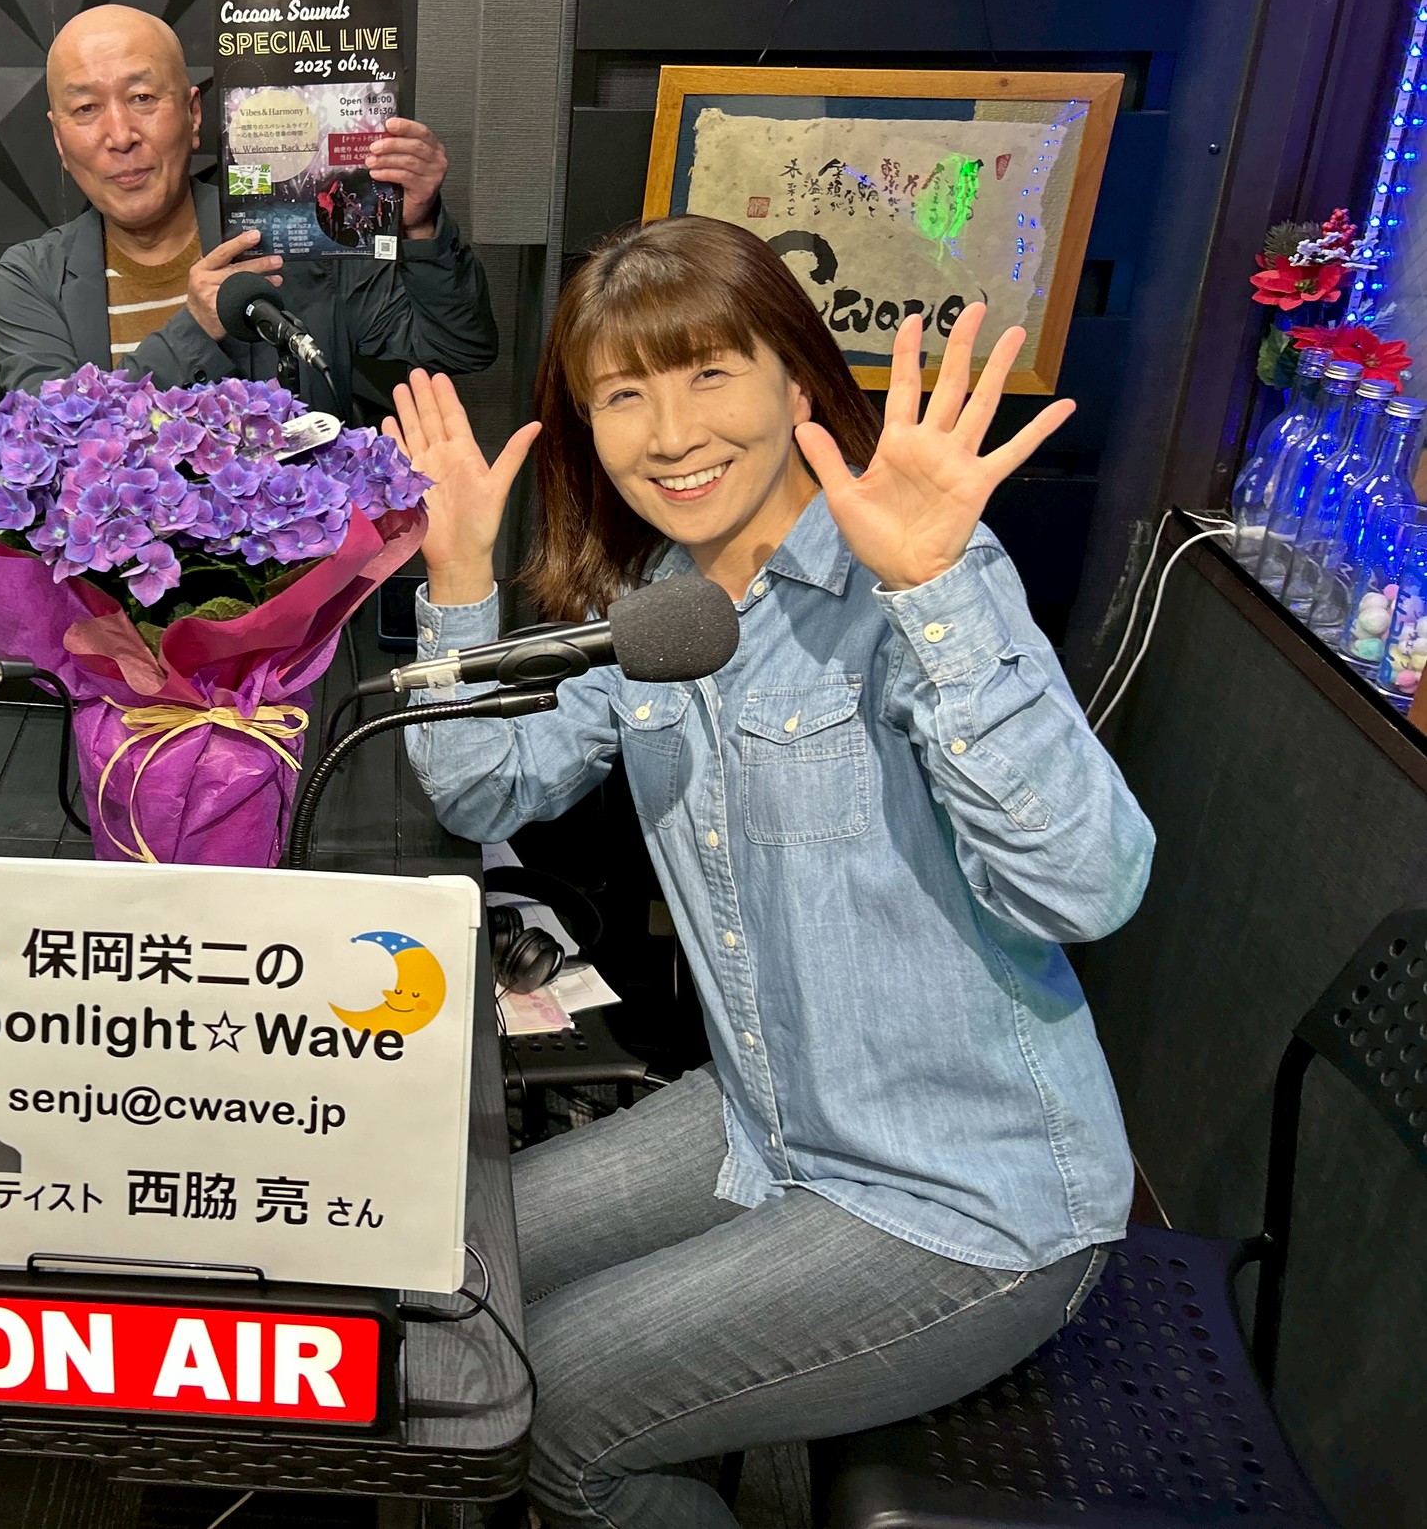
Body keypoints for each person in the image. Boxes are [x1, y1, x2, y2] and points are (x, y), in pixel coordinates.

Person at [390, 215, 1151, 1529]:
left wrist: (935, 594)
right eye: (624, 395)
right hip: (765, 1115)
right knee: (447, 1260)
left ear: (797, 380)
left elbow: (1087, 886)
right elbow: (485, 787)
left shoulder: (916, 578)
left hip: (967, 1196)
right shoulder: (662, 606)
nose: (671, 432)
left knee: (555, 1411)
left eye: (709, 374)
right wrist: (458, 576)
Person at [0, 4, 499, 417]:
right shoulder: (33, 277)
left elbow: (458, 347)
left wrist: (420, 226)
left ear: (194, 115)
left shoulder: (300, 236)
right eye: (86, 109)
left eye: (142, 97)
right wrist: (194, 328)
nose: (120, 135)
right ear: (59, 140)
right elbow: (50, 441)